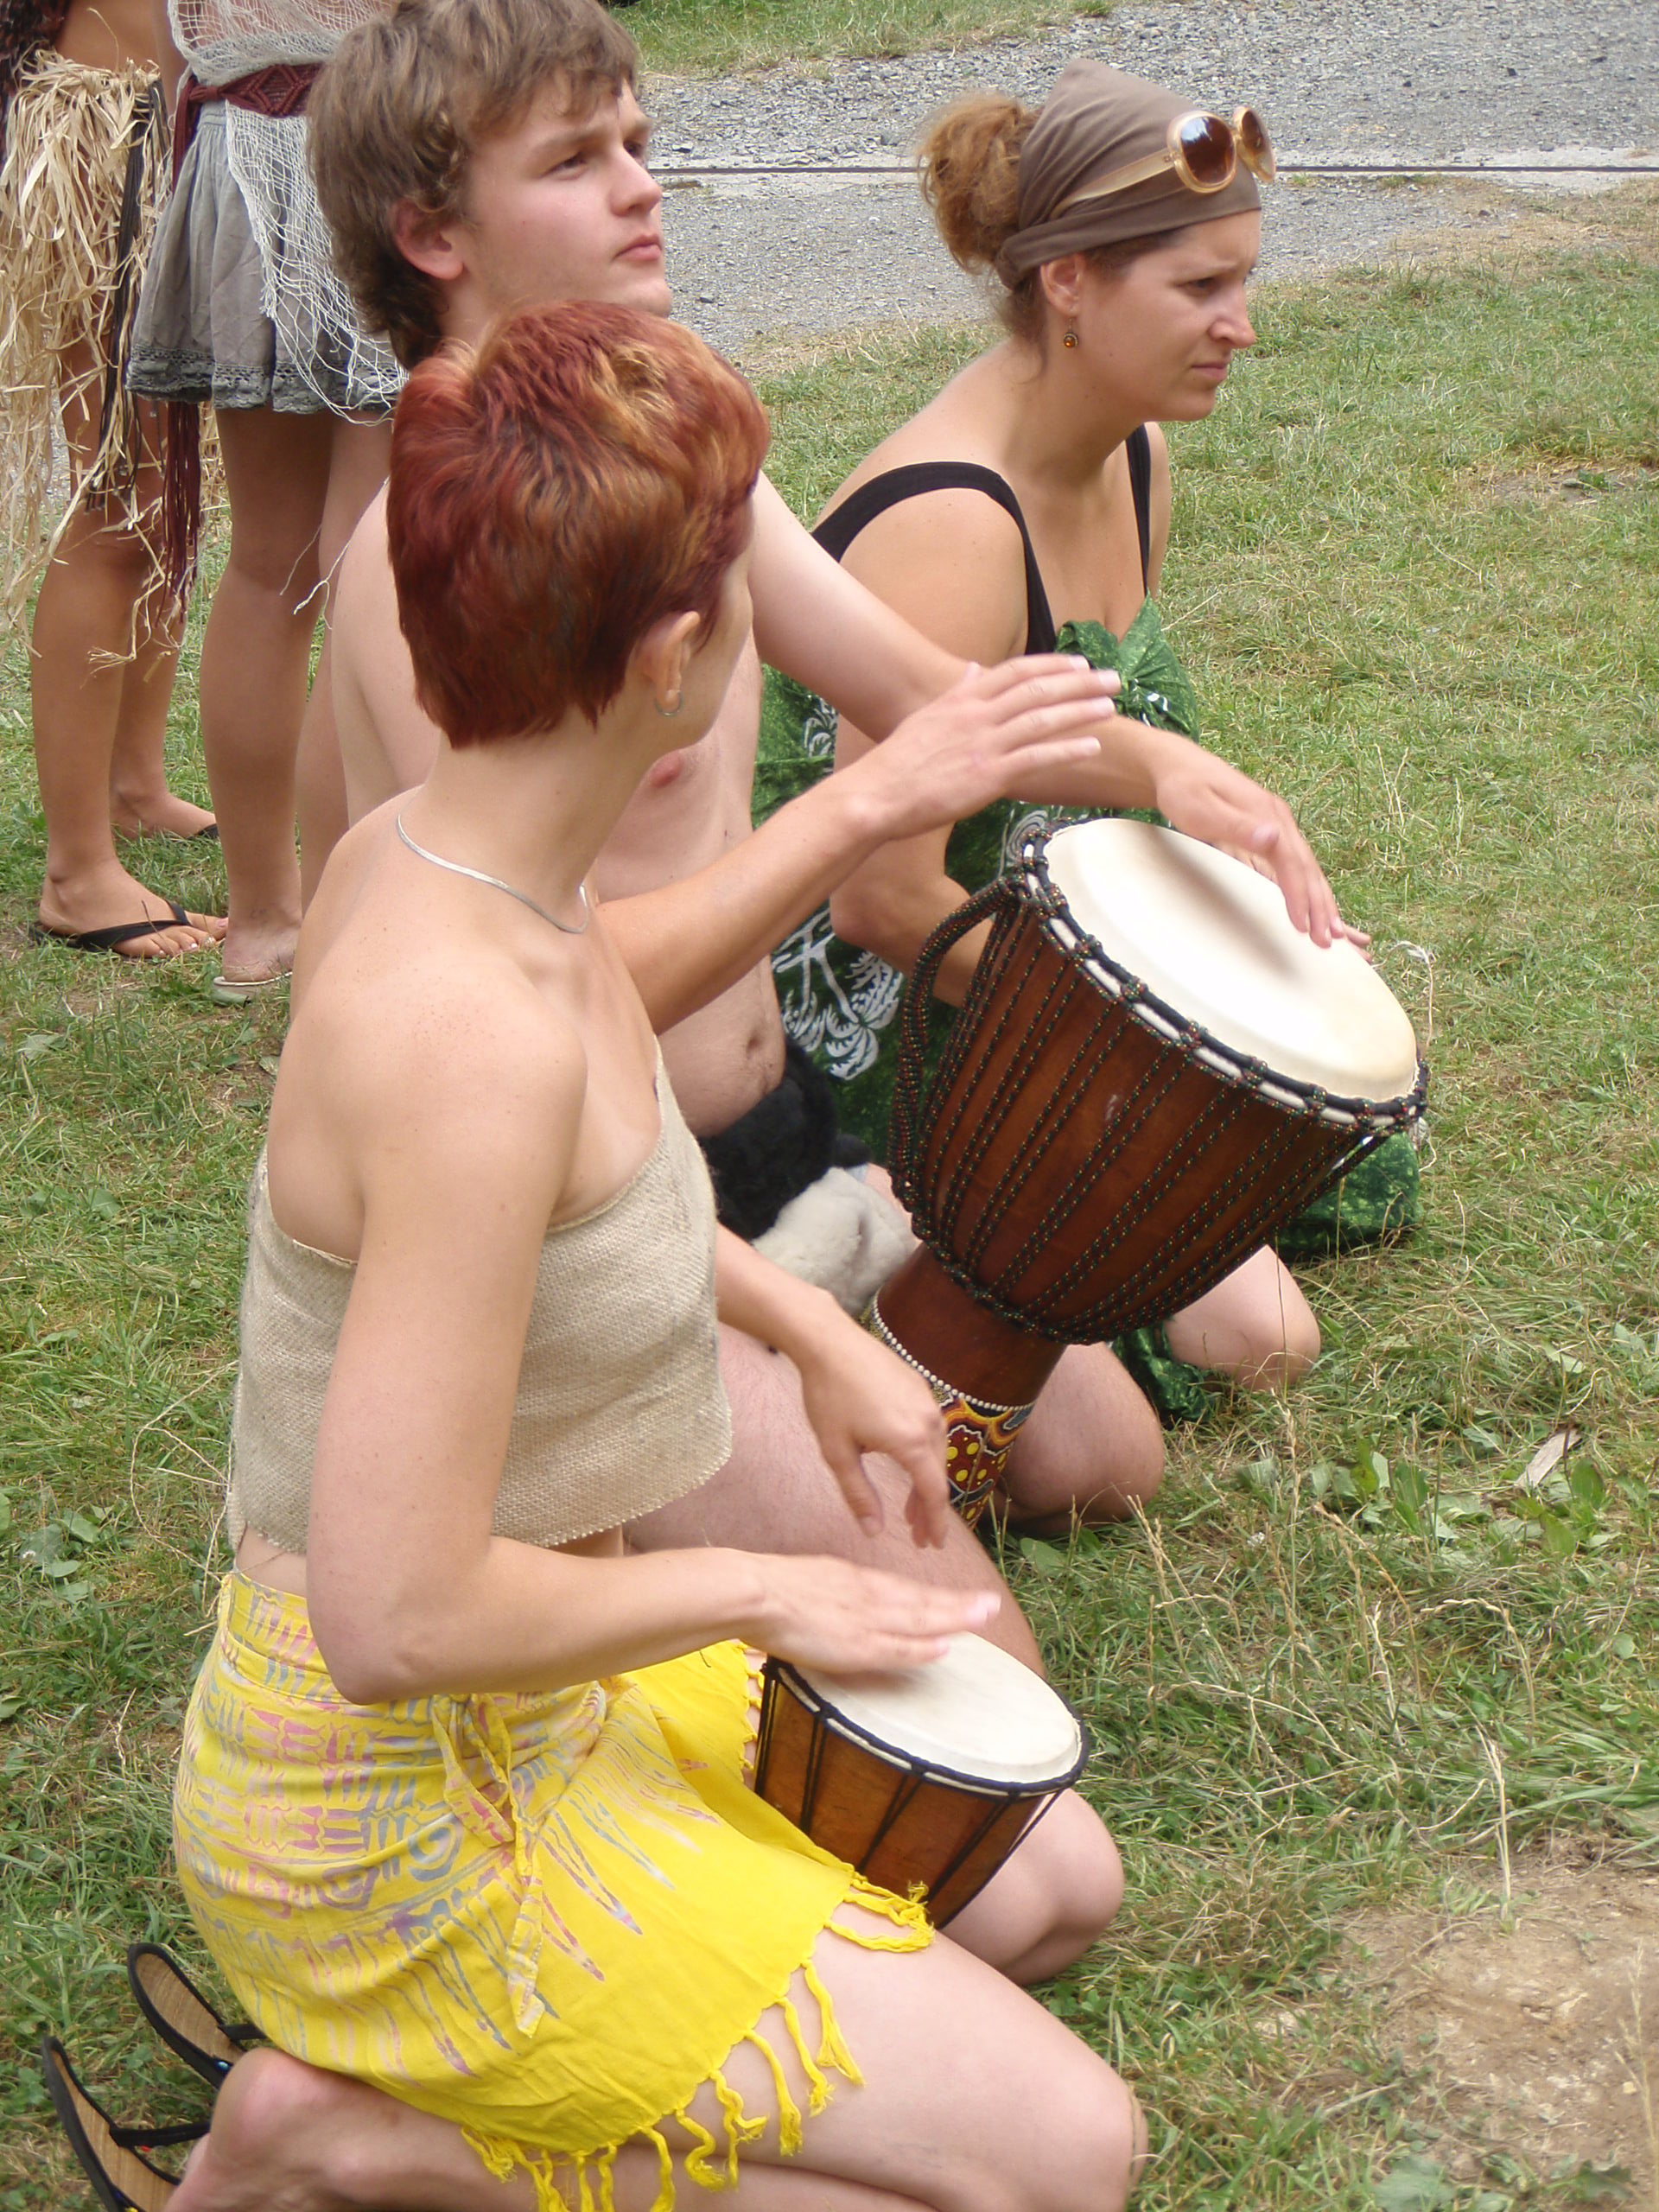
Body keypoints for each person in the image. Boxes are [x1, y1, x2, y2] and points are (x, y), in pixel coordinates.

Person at [162, 297, 1143, 2212]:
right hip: (401, 1824)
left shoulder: (442, 862)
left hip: (548, 1708)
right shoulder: (472, 1042)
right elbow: (394, 1616)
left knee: (1052, 1886)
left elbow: (580, 1189)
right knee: (1068, 2161)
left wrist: (813, 1330)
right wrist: (770, 1591)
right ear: (678, 657)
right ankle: (337, 2144)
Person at [313, 0, 1355, 1537]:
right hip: (581, 1210)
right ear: (430, 234)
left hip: (778, 1130)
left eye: (639, 143)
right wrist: (861, 807)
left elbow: (925, 691)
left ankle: (769, 1429)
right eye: (577, 161)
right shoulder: (429, 559)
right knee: (934, 1612)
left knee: (1102, 1465)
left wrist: (1175, 779)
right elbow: (516, 990)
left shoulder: (665, 440)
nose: (642, 186)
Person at [756, 60, 1421, 1388]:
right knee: (1254, 1339)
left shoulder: (1134, 450)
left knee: (1315, 1224)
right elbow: (880, 903)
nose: (1241, 326)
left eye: (1244, 281)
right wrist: (1149, 1042)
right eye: (1200, 287)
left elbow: (1078, 767)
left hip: (1036, 967)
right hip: (894, 1027)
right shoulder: (953, 521)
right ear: (1067, 282)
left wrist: (1199, 855)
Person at [125, 0, 402, 999]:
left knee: (271, 562)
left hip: (234, 145)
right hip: (376, 148)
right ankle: (338, 914)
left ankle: (264, 921)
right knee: (363, 567)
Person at [2, 0, 222, 959]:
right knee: (125, 497)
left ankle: (135, 783)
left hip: (188, 112)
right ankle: (77, 874)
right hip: (115, 128)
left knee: (177, 489)